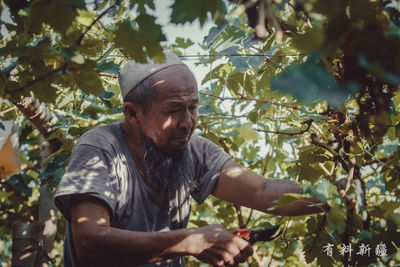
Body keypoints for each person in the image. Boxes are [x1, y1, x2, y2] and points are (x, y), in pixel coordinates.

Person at [54, 51, 326, 267]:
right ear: (132, 113)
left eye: (193, 107)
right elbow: (89, 244)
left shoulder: (192, 149)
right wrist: (192, 241)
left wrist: (333, 195)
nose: (188, 122)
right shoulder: (99, 149)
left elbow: (262, 191)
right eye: (174, 110)